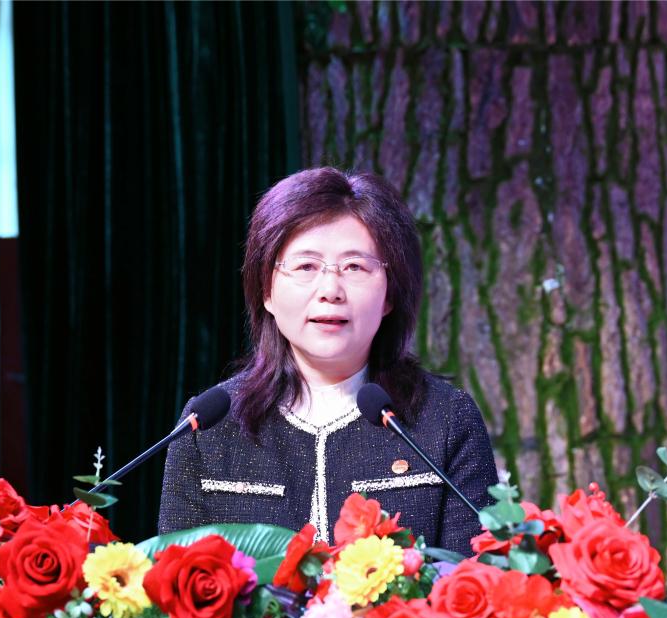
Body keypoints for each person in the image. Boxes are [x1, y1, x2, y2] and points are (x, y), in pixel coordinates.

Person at [157, 167, 498, 553]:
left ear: (389, 294)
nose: (330, 290)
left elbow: (474, 574)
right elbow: (176, 578)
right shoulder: (208, 428)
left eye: (355, 267)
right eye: (306, 267)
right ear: (266, 290)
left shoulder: (446, 419)